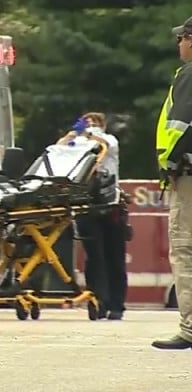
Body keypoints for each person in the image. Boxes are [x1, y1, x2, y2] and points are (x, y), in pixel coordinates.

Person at [59, 112, 128, 320]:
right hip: (87, 204)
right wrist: (72, 134)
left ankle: (117, 304)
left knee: (114, 255)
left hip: (111, 204)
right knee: (94, 257)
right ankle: (99, 301)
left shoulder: (109, 141)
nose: (90, 125)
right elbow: (58, 150)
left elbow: (105, 143)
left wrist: (89, 133)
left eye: (95, 121)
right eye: (87, 121)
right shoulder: (78, 142)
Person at [152, 16, 192, 350]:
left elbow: (179, 124)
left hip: (188, 176)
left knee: (185, 249)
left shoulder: (189, 74)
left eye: (182, 38)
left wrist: (170, 162)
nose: (179, 44)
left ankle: (190, 328)